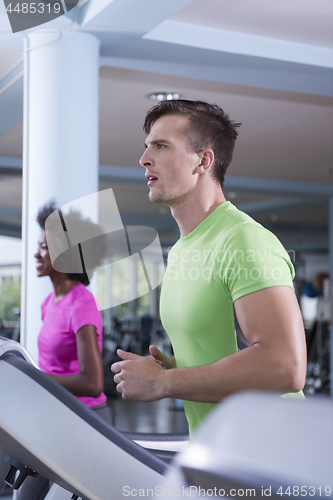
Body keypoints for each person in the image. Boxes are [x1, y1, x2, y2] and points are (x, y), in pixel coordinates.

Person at [111, 100, 307, 437]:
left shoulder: (243, 239)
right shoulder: (183, 249)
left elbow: (284, 366)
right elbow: (227, 354)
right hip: (220, 449)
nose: (144, 159)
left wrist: (164, 383)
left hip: (277, 454)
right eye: (147, 147)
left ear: (203, 160)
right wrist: (180, 370)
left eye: (160, 146)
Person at [16, 202, 112, 500]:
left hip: (86, 419)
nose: (36, 253)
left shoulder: (81, 303)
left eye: (44, 247)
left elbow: (93, 382)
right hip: (56, 415)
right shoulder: (50, 303)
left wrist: (35, 379)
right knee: (25, 495)